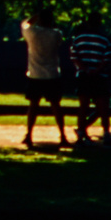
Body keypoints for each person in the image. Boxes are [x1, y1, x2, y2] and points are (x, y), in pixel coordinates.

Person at [21, 12, 69, 147]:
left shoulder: (32, 33)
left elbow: (25, 24)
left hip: (35, 74)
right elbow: (58, 39)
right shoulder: (56, 34)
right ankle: (62, 135)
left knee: (33, 106)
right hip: (52, 74)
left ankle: (29, 135)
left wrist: (34, 15)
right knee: (56, 106)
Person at [71, 18, 111, 143]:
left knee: (83, 106)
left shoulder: (79, 39)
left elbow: (74, 57)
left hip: (83, 76)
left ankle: (81, 133)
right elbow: (108, 58)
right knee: (103, 107)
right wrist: (97, 70)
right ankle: (106, 134)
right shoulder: (104, 40)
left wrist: (84, 68)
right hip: (100, 77)